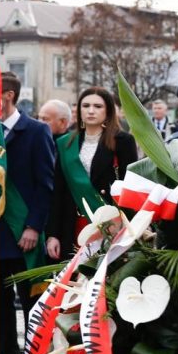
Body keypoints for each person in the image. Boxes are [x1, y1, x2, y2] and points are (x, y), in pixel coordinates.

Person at [0, 71, 55, 354]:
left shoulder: (36, 131)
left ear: (8, 96)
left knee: (30, 302)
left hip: (23, 233)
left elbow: (45, 184)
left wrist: (34, 227)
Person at [46, 87, 138, 262]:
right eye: (85, 105)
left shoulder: (123, 141)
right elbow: (58, 192)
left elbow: (130, 188)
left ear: (108, 111)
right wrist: (52, 234)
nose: (90, 111)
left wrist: (123, 226)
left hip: (111, 226)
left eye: (98, 106)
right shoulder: (65, 143)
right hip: (72, 226)